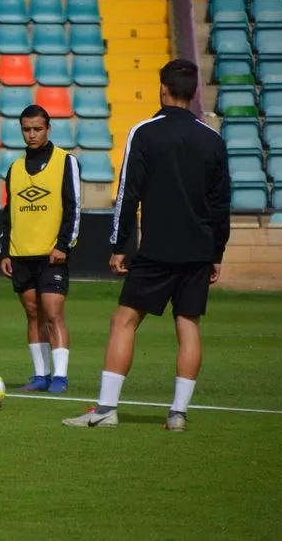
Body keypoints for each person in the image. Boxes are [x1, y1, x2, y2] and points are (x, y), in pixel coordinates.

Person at [63, 59, 231, 431]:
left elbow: (128, 193)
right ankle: (178, 414)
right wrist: (217, 252)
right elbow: (221, 204)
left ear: (162, 89)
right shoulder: (213, 140)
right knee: (188, 325)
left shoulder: (144, 132)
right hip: (199, 250)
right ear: (194, 93)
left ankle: (106, 410)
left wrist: (118, 245)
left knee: (124, 321)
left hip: (157, 248)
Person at [0, 104, 81, 395]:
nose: (31, 134)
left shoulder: (65, 161)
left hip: (51, 254)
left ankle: (60, 376)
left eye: (37, 129)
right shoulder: (15, 168)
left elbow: (73, 208)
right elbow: (8, 213)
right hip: (21, 253)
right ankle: (40, 375)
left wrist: (63, 246)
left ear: (48, 129)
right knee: (32, 313)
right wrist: (5, 251)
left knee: (53, 312)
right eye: (26, 129)